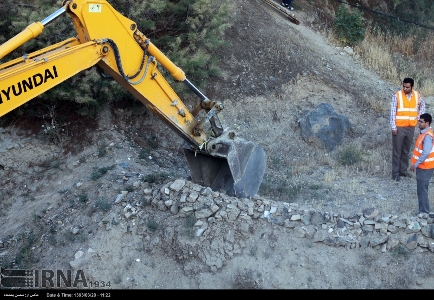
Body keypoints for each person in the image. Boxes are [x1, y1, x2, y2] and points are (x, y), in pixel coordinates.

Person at [390, 77, 425, 181]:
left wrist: (418, 118)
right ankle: (395, 173)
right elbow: (392, 112)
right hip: (399, 127)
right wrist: (393, 127)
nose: (405, 88)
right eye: (404, 86)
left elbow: (422, 107)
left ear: (412, 87)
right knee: (397, 151)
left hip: (411, 127)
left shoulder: (417, 96)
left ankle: (403, 171)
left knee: (406, 151)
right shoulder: (397, 95)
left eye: (407, 87)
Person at [410, 113, 434, 218]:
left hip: (425, 167)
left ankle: (424, 212)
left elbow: (425, 153)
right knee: (421, 189)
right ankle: (423, 210)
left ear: (427, 123)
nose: (418, 123)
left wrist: (415, 164)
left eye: (421, 121)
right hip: (424, 167)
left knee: (422, 190)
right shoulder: (424, 133)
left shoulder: (427, 136)